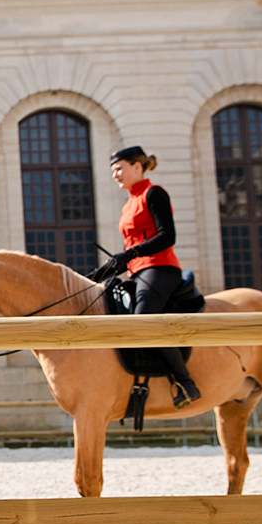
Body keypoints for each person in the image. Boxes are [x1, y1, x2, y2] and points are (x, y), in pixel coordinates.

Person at [88, 145, 201, 409]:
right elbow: (129, 251)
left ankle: (185, 382)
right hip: (137, 271)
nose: (115, 174)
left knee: (142, 322)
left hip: (160, 268)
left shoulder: (154, 194)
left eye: (119, 169)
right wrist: (97, 274)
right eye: (113, 171)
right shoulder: (128, 203)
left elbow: (167, 236)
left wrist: (131, 254)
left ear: (137, 167)